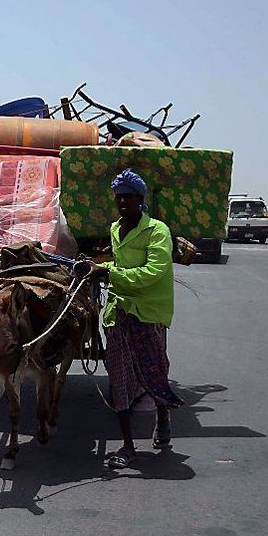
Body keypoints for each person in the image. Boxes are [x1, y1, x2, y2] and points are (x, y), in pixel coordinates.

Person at [89, 169, 184, 470]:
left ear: (141, 199)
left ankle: (163, 415)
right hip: (118, 312)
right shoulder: (116, 229)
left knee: (153, 371)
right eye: (119, 198)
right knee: (118, 376)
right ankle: (128, 445)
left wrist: (109, 272)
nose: (123, 202)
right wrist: (102, 263)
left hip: (148, 313)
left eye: (128, 197)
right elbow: (119, 261)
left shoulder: (158, 231)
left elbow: (154, 271)